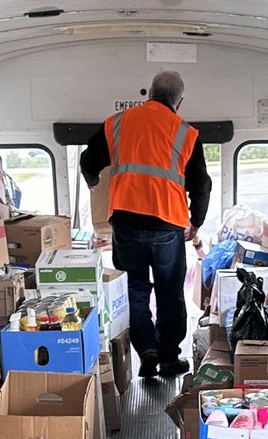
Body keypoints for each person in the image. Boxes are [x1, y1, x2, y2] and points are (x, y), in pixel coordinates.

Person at [81, 70, 212, 379]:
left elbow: (88, 160)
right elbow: (201, 185)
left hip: (125, 223)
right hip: (168, 226)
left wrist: (94, 182)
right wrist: (196, 221)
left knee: (135, 291)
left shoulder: (117, 123)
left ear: (149, 93)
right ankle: (169, 358)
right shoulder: (186, 133)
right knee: (170, 293)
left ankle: (146, 353)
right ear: (179, 102)